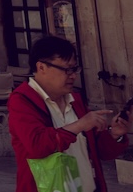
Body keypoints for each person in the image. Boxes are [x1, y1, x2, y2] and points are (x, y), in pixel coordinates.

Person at [8, 35, 129, 192]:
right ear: (41, 67)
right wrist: (79, 125)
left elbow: (98, 152)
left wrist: (115, 134)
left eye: (74, 69)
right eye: (66, 69)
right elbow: (38, 146)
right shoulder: (22, 100)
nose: (73, 75)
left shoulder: (75, 100)